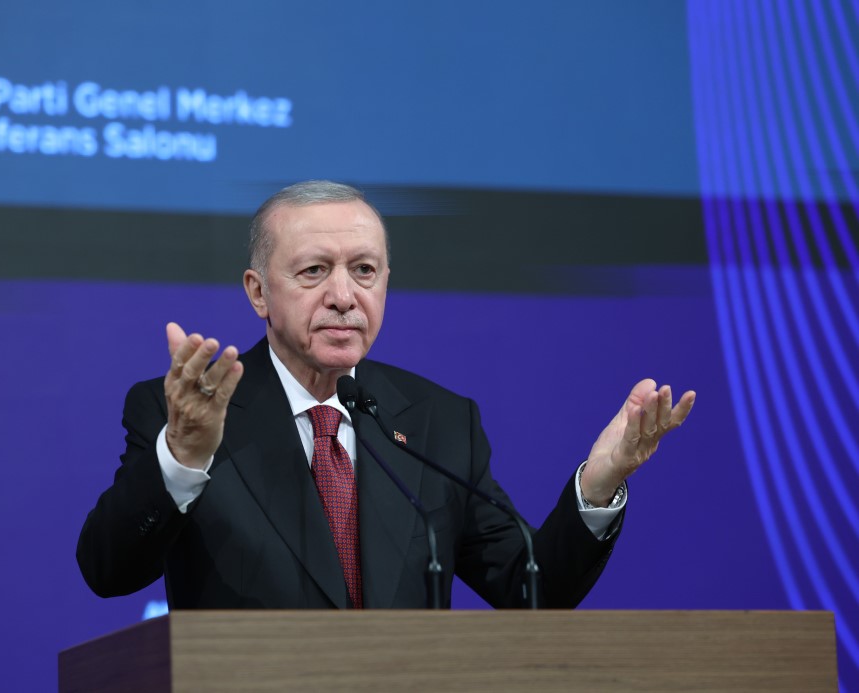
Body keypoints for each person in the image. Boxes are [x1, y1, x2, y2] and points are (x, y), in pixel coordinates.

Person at [76, 180, 695, 609]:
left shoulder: (437, 423)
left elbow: (532, 591)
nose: (344, 296)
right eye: (314, 270)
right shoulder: (184, 416)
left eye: (364, 270)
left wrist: (598, 486)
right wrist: (183, 456)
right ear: (258, 292)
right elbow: (109, 571)